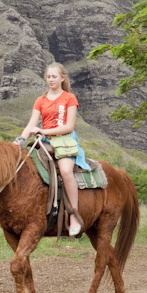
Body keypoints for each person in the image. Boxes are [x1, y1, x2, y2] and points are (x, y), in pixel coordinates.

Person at [15, 62, 87, 237]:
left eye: (54, 76)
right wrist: (20, 140)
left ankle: (74, 215)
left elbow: (69, 126)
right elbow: (31, 124)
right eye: (48, 77)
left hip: (64, 141)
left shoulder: (69, 98)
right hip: (45, 141)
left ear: (62, 78)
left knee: (65, 171)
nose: (50, 79)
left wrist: (44, 130)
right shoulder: (41, 100)